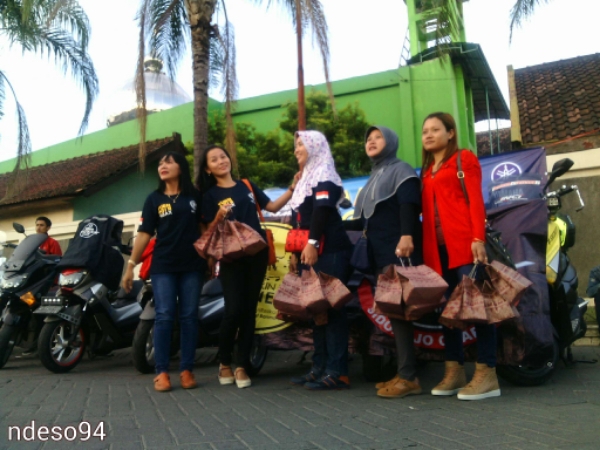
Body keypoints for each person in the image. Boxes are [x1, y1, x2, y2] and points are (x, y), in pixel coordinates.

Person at [199, 145, 295, 389]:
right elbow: (207, 231)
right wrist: (218, 217)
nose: (221, 161)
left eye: (223, 156)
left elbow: (272, 207)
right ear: (207, 169)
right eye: (214, 159)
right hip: (231, 257)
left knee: (249, 311)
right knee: (233, 310)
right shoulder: (209, 195)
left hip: (257, 253)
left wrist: (292, 189)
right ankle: (224, 362)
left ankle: (241, 365)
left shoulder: (247, 185)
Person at [421, 112, 500, 401]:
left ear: (451, 133)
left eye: (435, 129)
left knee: (478, 310)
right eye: (425, 131)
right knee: (448, 313)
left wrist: (477, 238)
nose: (428, 135)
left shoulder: (463, 159)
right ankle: (454, 372)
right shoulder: (426, 170)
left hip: (464, 245)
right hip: (436, 252)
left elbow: (475, 201)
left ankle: (487, 373)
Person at [346, 125, 423, 398]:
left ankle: (409, 377)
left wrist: (406, 236)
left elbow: (408, 206)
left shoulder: (401, 170)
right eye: (368, 138)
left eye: (378, 137)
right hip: (380, 254)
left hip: (398, 252)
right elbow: (363, 220)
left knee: (400, 313)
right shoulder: (374, 176)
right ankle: (405, 373)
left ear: (390, 141)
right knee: (395, 313)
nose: (372, 141)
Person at [122, 151, 205, 392]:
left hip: (192, 265)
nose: (163, 166)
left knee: (189, 316)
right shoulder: (154, 199)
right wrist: (131, 265)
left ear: (181, 168)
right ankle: (162, 372)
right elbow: (144, 234)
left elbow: (203, 229)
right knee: (165, 315)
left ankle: (187, 370)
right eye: (160, 163)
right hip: (163, 266)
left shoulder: (194, 196)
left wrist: (209, 258)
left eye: (169, 162)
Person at [287, 130, 354, 391]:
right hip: (309, 251)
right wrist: (296, 252)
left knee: (332, 308)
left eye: (301, 144)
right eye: (295, 145)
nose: (296, 149)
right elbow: (300, 219)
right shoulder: (306, 177)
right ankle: (319, 367)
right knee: (317, 310)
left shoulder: (325, 173)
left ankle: (338, 372)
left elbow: (322, 211)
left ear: (315, 146)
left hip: (330, 250)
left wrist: (312, 243)